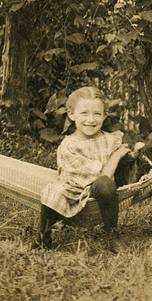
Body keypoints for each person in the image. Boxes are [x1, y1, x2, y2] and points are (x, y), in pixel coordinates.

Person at [34, 86, 130, 252]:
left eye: (97, 114)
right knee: (52, 193)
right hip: (72, 190)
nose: (91, 120)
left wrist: (132, 153)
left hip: (98, 190)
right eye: (84, 113)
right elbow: (104, 173)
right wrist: (117, 155)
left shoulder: (110, 139)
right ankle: (43, 236)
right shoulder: (69, 146)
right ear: (72, 115)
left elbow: (120, 166)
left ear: (105, 115)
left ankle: (111, 234)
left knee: (105, 185)